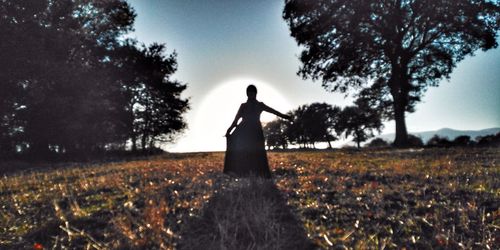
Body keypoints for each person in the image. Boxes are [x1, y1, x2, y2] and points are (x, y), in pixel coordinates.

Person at [224, 84, 291, 178]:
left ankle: (259, 173)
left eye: (253, 93)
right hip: (244, 131)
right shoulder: (243, 106)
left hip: (255, 131)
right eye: (249, 93)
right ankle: (243, 173)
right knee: (244, 151)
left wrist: (284, 116)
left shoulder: (260, 105)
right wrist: (229, 131)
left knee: (258, 151)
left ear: (255, 93)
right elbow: (236, 120)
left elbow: (273, 111)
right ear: (247, 94)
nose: (251, 94)